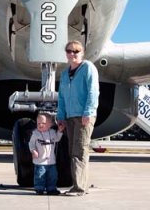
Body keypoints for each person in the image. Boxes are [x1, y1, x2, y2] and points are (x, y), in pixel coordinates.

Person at [56, 40, 99, 196]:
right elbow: (61, 97)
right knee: (72, 151)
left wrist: (88, 112)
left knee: (80, 150)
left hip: (83, 116)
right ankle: (78, 185)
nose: (72, 54)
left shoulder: (88, 68)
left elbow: (93, 92)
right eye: (69, 51)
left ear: (82, 53)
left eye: (76, 51)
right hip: (70, 117)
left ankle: (80, 188)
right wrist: (60, 116)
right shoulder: (65, 74)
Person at [28, 112, 65, 195]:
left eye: (43, 123)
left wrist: (59, 131)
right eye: (38, 123)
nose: (40, 125)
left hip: (51, 161)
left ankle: (51, 189)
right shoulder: (35, 133)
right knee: (40, 176)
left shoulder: (52, 132)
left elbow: (57, 139)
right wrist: (33, 151)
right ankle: (39, 188)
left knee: (53, 176)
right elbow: (31, 143)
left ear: (50, 124)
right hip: (40, 161)